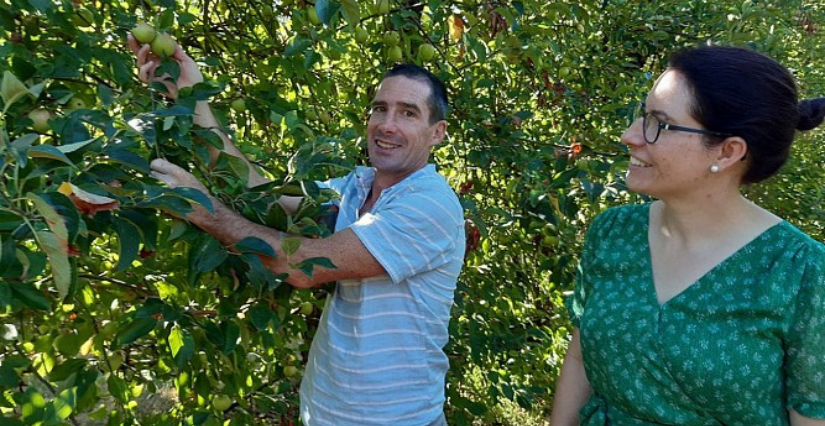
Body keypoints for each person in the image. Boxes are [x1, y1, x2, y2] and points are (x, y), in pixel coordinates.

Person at [128, 35, 465, 426]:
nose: (387, 125)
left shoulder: (429, 204)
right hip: (322, 412)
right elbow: (255, 190)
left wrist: (205, 211)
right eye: (380, 109)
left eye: (408, 113)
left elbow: (307, 265)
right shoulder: (353, 188)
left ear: (436, 133)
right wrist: (192, 96)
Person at [550, 45, 825, 426]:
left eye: (658, 124)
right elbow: (580, 360)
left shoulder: (800, 272)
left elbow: (812, 416)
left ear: (728, 152)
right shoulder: (613, 234)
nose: (630, 136)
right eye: (641, 116)